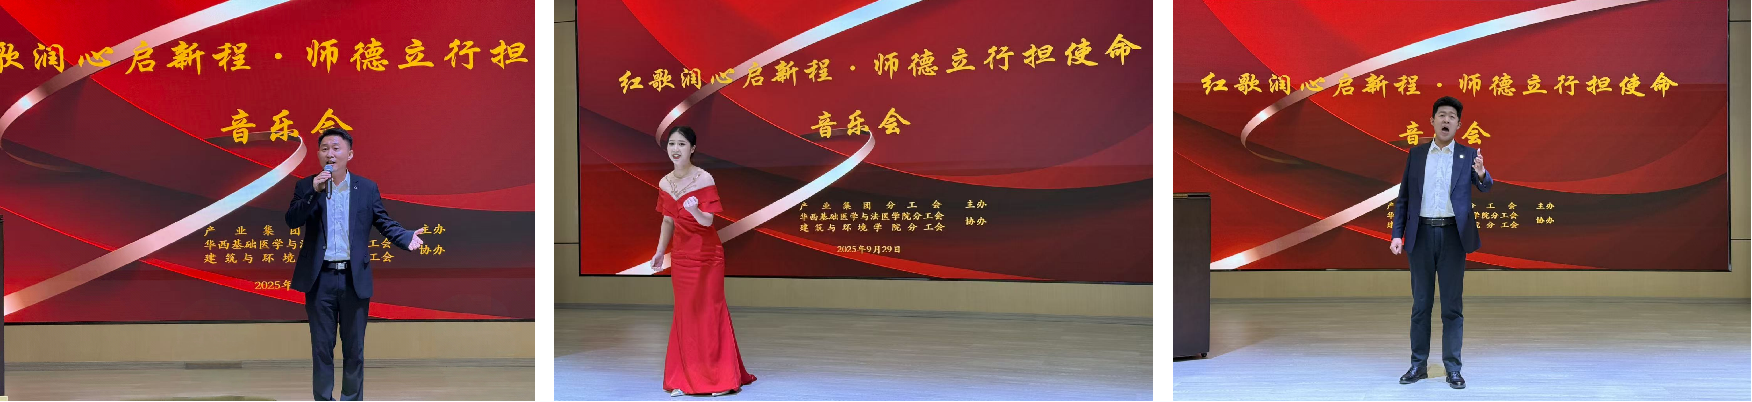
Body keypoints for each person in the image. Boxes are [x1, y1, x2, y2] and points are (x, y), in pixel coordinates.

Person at [285, 127, 426, 400]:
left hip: (353, 279)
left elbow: (383, 221)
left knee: (354, 350)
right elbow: (292, 220)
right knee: (321, 349)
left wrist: (405, 237)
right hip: (320, 280)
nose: (330, 153)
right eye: (324, 148)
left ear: (349, 154)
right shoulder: (306, 186)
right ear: (318, 154)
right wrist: (314, 191)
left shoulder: (366, 188)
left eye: (336, 148)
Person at [1389, 96, 1491, 389]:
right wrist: (1397, 234)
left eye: (1452, 116)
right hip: (1420, 235)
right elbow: (1404, 198)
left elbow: (1485, 186)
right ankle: (1417, 365)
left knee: (1452, 306)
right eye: (1442, 115)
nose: (1446, 120)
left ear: (1459, 124)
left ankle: (1453, 368)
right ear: (1432, 121)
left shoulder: (1468, 155)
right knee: (1421, 305)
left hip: (1453, 237)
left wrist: (1481, 173)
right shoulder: (1417, 155)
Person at [649, 126, 757, 397]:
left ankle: (720, 378)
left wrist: (695, 209)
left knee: (709, 313)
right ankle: (682, 378)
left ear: (693, 149)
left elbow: (708, 221)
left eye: (681, 144)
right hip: (682, 257)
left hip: (707, 255)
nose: (675, 149)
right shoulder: (664, 182)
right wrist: (661, 251)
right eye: (671, 144)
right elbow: (667, 220)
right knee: (685, 315)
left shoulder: (704, 178)